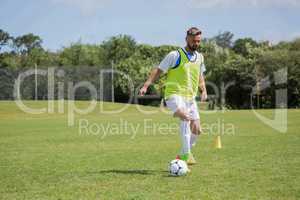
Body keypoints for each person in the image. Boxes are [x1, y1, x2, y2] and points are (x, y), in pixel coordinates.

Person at [139, 27, 207, 168]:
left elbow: (200, 76)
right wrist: (146, 85)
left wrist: (204, 90)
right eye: (194, 41)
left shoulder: (200, 58)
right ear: (187, 39)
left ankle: (182, 153)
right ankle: (187, 154)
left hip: (190, 98)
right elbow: (158, 71)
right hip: (174, 95)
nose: (196, 44)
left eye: (199, 41)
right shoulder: (175, 55)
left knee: (197, 129)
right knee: (184, 116)